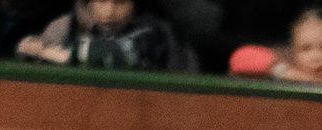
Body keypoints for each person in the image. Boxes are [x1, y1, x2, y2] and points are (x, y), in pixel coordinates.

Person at [16, 0, 191, 72]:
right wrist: (30, 50)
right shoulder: (70, 28)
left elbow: (110, 55)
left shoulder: (149, 32)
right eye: (101, 1)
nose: (109, 12)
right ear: (88, 5)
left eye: (120, 2)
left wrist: (47, 53)